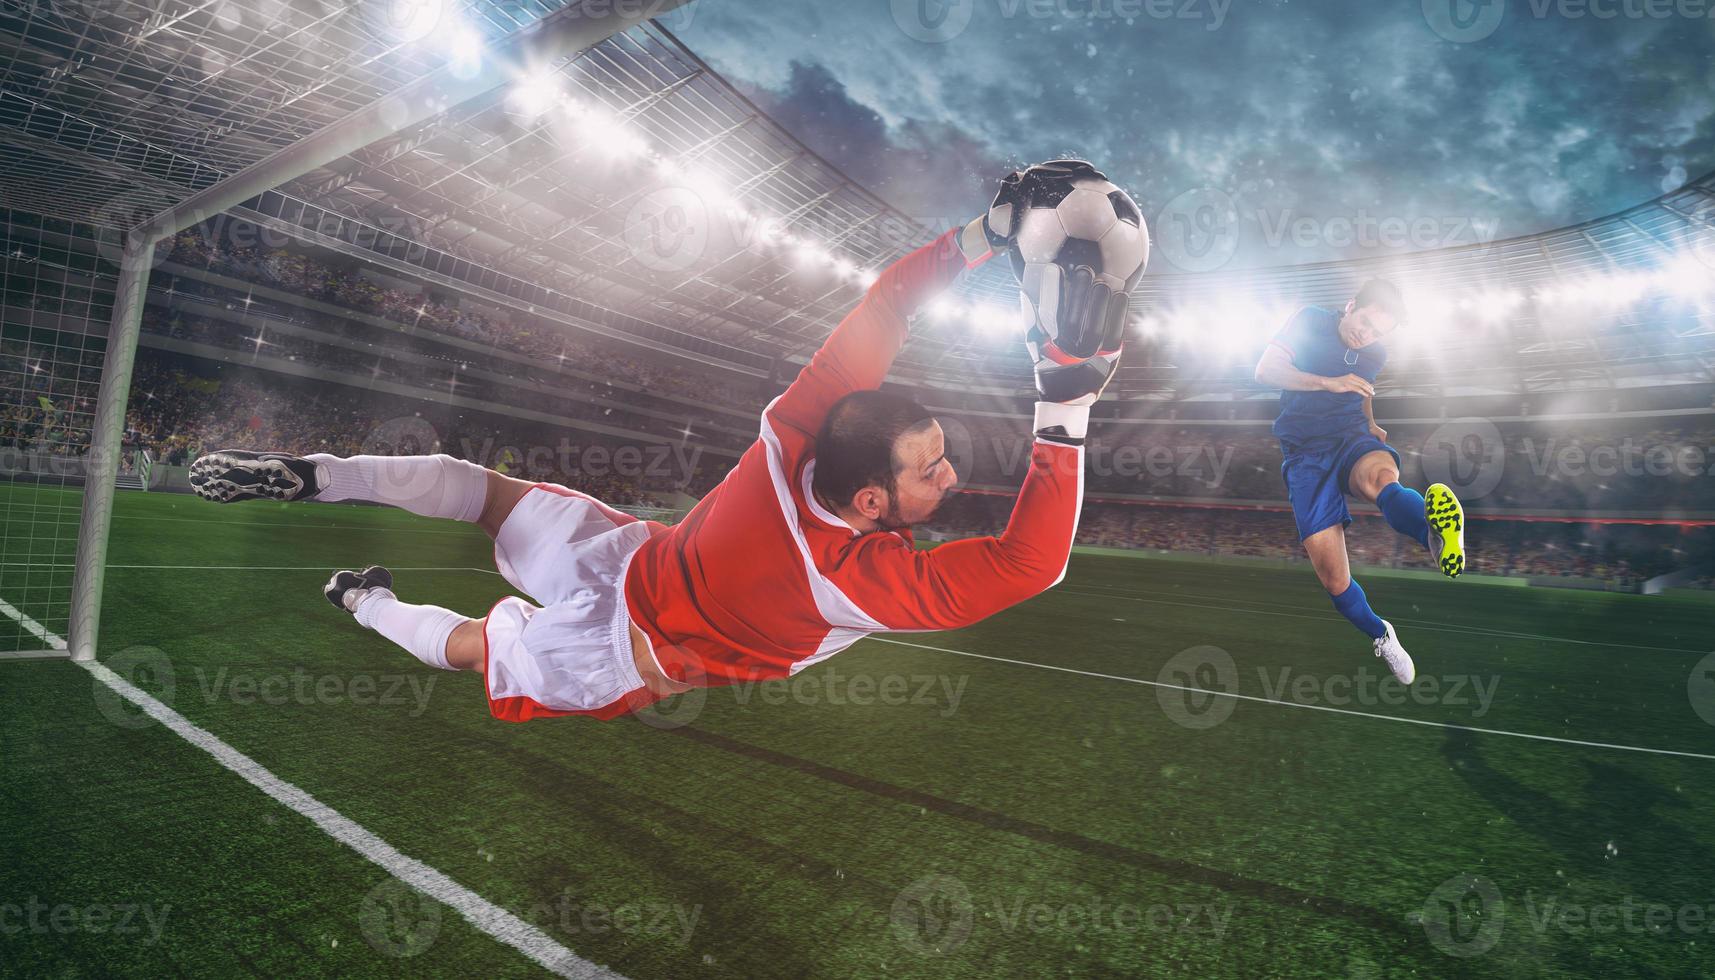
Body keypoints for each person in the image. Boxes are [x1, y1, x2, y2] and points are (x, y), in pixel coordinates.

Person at [188, 166, 1132, 722]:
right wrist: (1065, 404)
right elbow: (1031, 562)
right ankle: (364, 602)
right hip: (620, 653)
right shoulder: (857, 582)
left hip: (629, 552)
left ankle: (314, 480)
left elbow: (885, 303)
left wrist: (985, 231)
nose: (952, 475)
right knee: (478, 646)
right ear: (872, 504)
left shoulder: (793, 432)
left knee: (465, 486)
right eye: (931, 468)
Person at [1252, 280, 1466, 684]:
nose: (1365, 335)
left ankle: (1433, 534)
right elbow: (1266, 370)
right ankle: (1382, 634)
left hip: (1351, 436)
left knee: (1380, 479)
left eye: (1376, 332)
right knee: (1334, 579)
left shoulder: (1375, 352)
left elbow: (1363, 384)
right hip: (1305, 454)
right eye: (1364, 321)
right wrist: (1327, 381)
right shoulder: (1310, 319)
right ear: (1351, 305)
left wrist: (1369, 420)